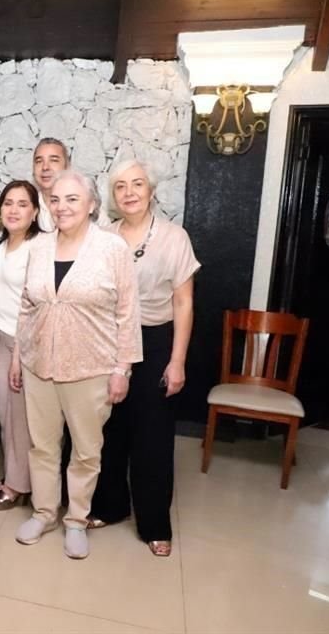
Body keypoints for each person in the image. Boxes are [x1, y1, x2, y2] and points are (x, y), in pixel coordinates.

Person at [14, 169, 141, 560]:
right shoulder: (37, 247)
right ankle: (44, 512)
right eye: (54, 199)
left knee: (86, 450)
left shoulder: (111, 248)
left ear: (90, 205)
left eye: (72, 199)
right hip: (39, 366)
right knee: (43, 446)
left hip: (91, 369)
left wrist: (123, 368)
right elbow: (25, 306)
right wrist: (20, 357)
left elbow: (128, 312)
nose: (61, 206)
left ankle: (77, 519)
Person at [88, 159, 199, 558]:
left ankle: (154, 523)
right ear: (113, 196)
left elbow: (184, 302)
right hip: (111, 341)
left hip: (155, 341)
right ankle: (108, 507)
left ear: (151, 191)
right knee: (109, 430)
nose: (129, 192)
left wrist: (178, 360)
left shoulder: (174, 237)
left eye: (137, 184)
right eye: (120, 186)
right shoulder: (102, 236)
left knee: (151, 436)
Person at [0, 180, 41, 510]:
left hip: (22, 344)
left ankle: (16, 486)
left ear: (35, 212)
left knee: (19, 419)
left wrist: (20, 355)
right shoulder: (0, 245)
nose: (13, 209)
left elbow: (34, 306)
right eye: (8, 203)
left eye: (22, 204)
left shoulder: (38, 248)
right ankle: (17, 477)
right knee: (7, 414)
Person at [32, 137, 68, 232]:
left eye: (53, 160)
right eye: (39, 161)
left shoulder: (84, 206)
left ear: (67, 167)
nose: (45, 167)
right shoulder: (26, 207)